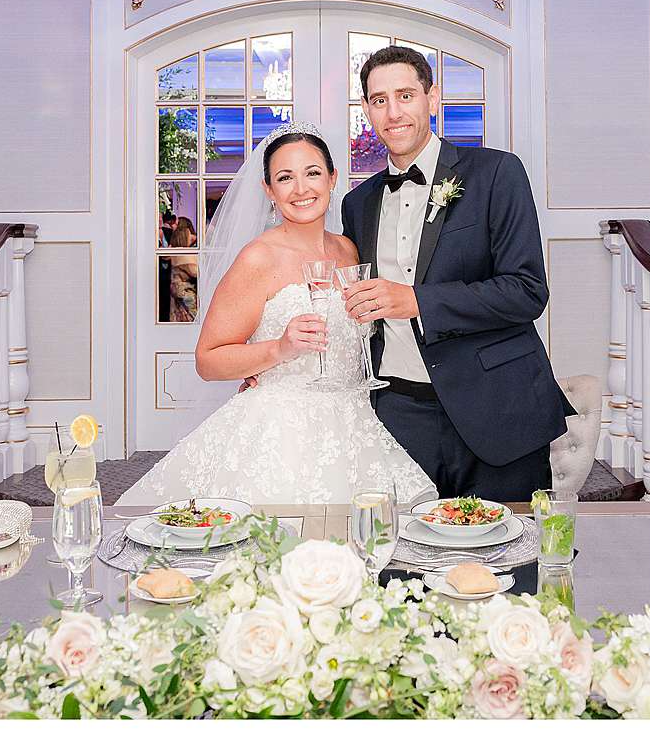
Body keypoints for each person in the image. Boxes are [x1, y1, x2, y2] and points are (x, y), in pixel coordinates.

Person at [119, 124, 435, 506]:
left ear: (332, 178)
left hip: (354, 425)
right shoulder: (259, 258)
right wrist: (279, 349)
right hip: (280, 435)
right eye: (285, 178)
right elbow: (208, 360)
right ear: (269, 190)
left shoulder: (349, 251)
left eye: (313, 173)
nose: (301, 189)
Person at [340, 45, 573, 502]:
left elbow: (526, 291)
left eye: (405, 95)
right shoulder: (358, 203)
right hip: (398, 414)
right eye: (379, 100)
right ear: (366, 109)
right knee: (403, 566)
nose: (393, 112)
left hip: (497, 410)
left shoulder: (496, 173)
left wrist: (418, 301)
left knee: (507, 564)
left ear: (433, 98)